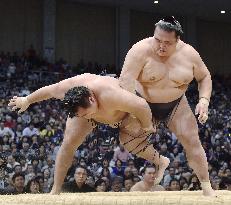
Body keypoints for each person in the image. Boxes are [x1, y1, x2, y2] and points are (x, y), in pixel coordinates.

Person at [8, 73, 169, 194]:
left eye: (86, 113)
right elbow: (49, 91)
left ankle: (161, 161)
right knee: (68, 143)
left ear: (92, 99)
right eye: (82, 115)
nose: (87, 117)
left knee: (128, 140)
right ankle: (55, 190)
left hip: (124, 114)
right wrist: (27, 100)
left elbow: (141, 105)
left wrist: (148, 126)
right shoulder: (68, 90)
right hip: (94, 110)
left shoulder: (111, 94)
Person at [119, 16, 215, 196]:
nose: (161, 46)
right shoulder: (139, 50)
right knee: (126, 140)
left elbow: (204, 77)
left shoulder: (189, 54)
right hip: (142, 102)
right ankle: (160, 161)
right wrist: (135, 112)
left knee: (193, 141)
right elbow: (125, 82)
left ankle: (207, 187)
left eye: (167, 42)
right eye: (157, 40)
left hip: (176, 104)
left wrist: (204, 100)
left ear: (177, 40)